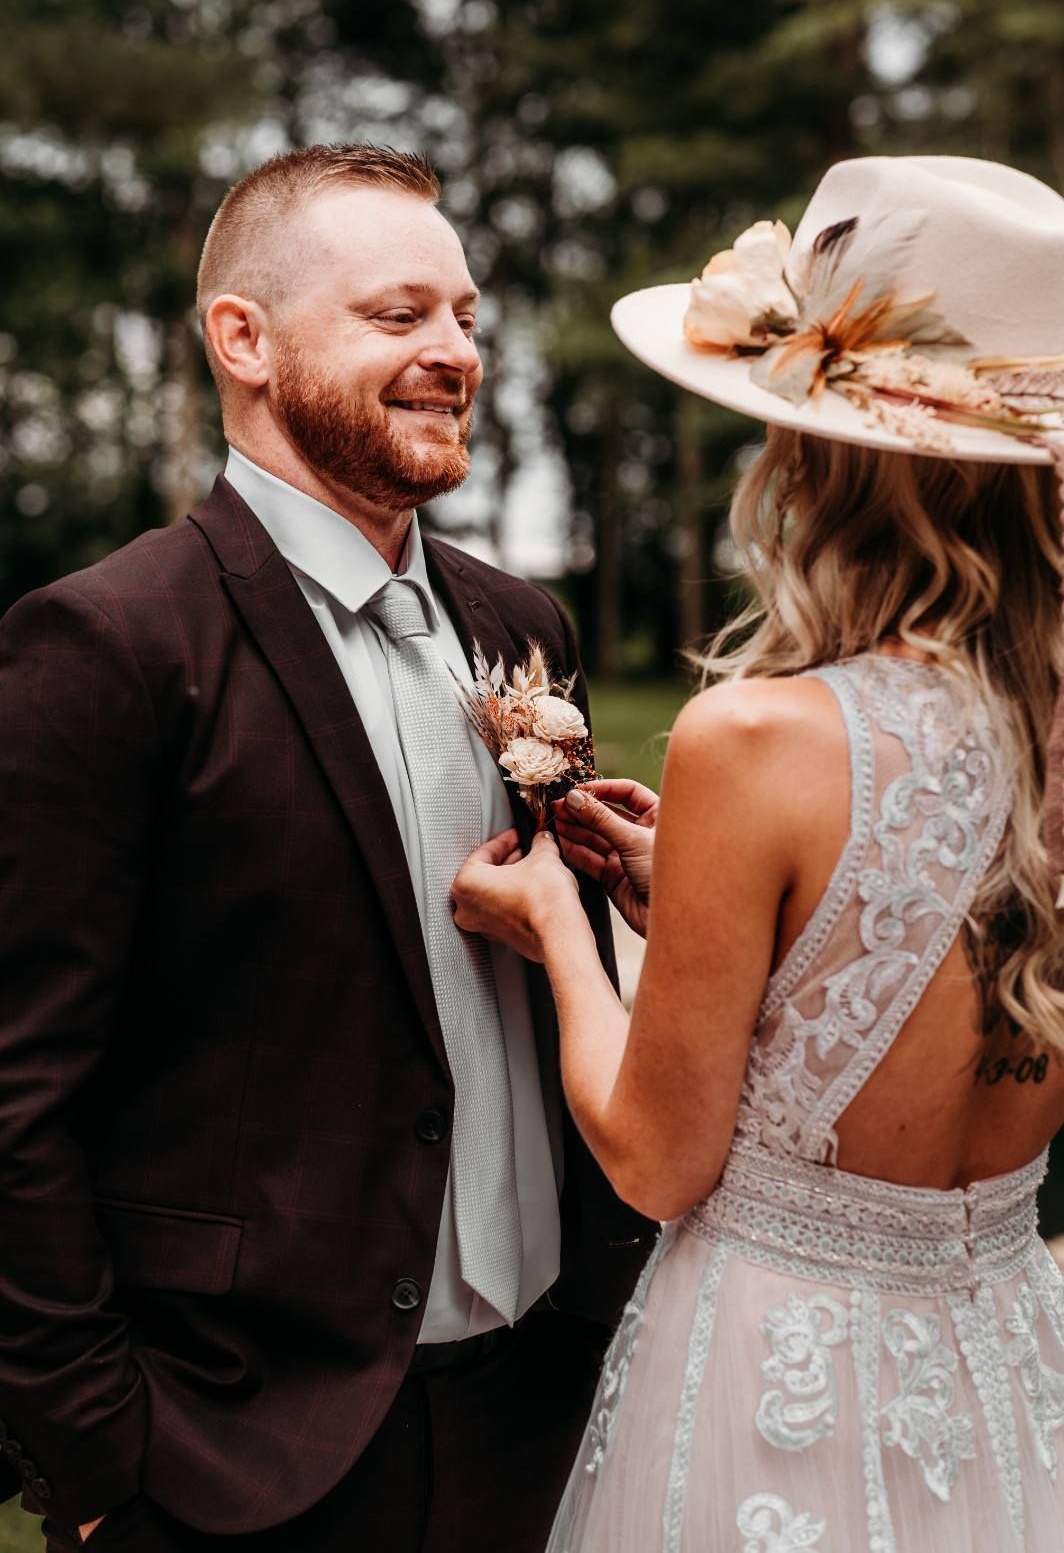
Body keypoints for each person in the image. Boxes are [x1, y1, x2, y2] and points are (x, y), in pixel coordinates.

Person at [0, 144, 656, 1553]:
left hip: (544, 1408)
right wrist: (102, 1456)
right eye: (398, 314)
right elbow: (16, 1095)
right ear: (243, 339)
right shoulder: (108, 645)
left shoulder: (525, 628)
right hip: (244, 1451)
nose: (454, 353)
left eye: (468, 317)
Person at [451, 155, 1064, 1550]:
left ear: (823, 453)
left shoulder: (757, 742)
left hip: (783, 1377)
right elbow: (949, 979)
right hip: (1011, 1365)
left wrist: (558, 925)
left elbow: (659, 1163)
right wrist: (718, 909)